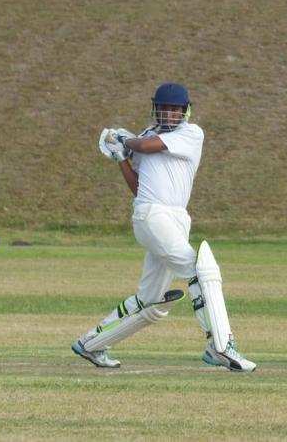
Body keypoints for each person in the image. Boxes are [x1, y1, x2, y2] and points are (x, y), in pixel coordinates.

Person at [71, 83, 256, 372]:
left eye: (175, 109)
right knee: (199, 271)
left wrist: (122, 145)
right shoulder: (144, 136)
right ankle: (220, 346)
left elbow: (145, 146)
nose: (169, 113)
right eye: (164, 108)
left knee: (151, 301)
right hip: (151, 215)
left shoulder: (191, 134)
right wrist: (123, 157)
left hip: (176, 218)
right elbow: (139, 186)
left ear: (185, 111)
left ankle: (91, 344)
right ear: (156, 109)